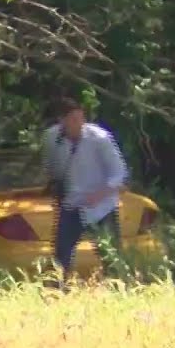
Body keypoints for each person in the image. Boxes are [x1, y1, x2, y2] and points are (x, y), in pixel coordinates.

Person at [41, 97, 129, 279]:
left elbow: (119, 172)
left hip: (101, 206)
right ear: (62, 120)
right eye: (73, 120)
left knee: (110, 254)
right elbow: (50, 167)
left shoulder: (99, 139)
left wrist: (100, 194)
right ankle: (58, 291)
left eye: (81, 119)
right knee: (61, 253)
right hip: (72, 204)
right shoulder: (51, 138)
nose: (78, 124)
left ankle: (118, 288)